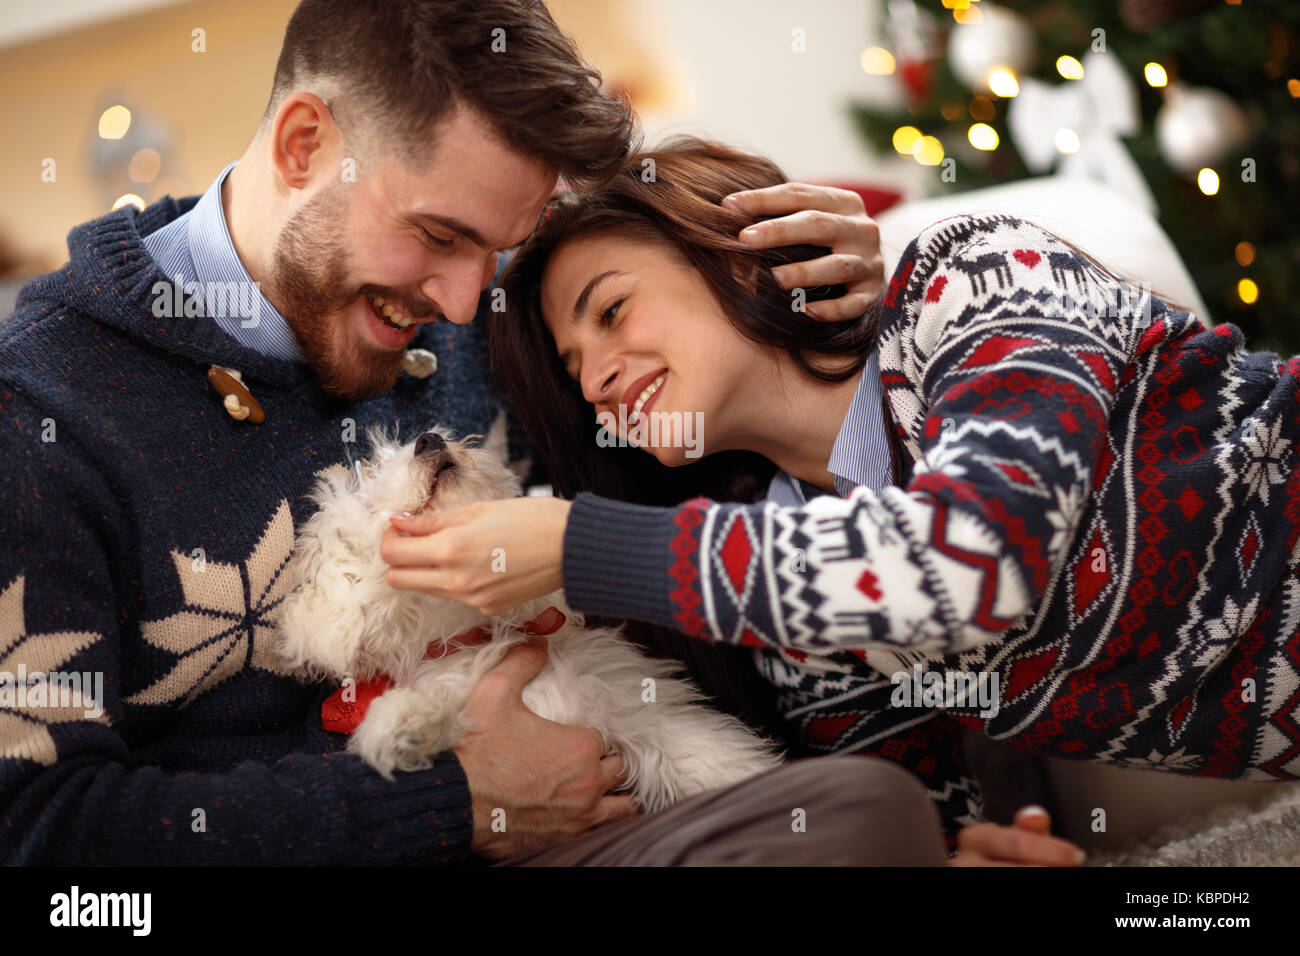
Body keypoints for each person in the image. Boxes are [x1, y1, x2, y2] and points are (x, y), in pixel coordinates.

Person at [0, 0, 912, 866]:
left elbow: (731, 521)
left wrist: (818, 318)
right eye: (439, 235)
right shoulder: (42, 411)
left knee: (888, 802)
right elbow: (35, 831)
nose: (466, 300)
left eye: (496, 246)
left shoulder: (507, 313)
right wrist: (448, 804)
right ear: (304, 144)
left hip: (649, 791)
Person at [381, 136, 1300, 853]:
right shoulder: (786, 595)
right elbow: (905, 805)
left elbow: (976, 557)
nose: (599, 380)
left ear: (739, 255)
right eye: (577, 369)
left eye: (613, 311)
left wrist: (581, 546)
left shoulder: (971, 281)